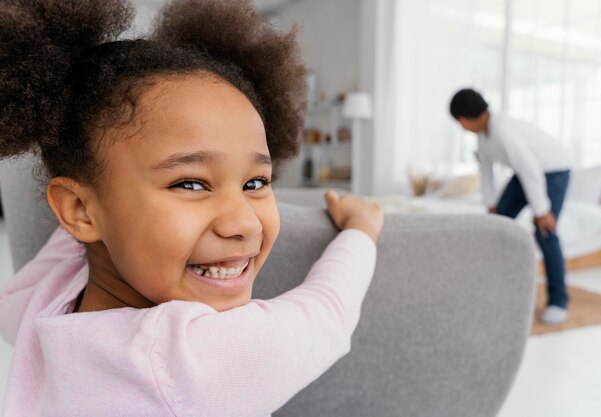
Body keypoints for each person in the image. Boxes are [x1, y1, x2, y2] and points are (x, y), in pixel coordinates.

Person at [0, 1, 384, 416]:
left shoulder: (44, 302)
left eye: (255, 183)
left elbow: (60, 249)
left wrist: (102, 203)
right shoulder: (196, 361)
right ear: (79, 209)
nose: (243, 222)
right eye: (190, 183)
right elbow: (326, 313)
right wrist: (361, 232)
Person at [449, 88, 572, 325]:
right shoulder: (483, 135)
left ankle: (558, 300)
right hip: (526, 173)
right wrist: (491, 205)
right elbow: (486, 172)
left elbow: (529, 169)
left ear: (463, 119)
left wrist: (541, 211)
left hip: (554, 171)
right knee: (498, 225)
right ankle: (496, 288)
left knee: (545, 232)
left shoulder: (504, 132)